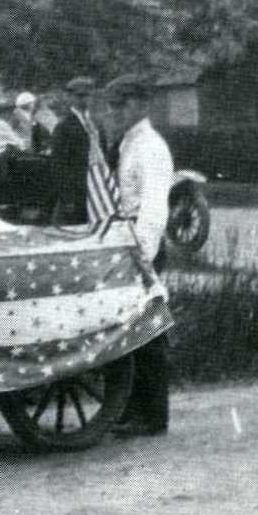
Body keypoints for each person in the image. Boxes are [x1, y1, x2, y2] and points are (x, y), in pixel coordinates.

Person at [102, 73, 174, 436]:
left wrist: (144, 254)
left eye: (120, 105)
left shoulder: (151, 146)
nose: (114, 112)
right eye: (113, 106)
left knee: (149, 330)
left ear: (139, 104)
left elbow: (155, 207)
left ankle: (153, 414)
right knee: (131, 328)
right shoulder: (129, 142)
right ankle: (133, 408)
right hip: (126, 240)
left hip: (143, 244)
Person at [48, 76, 102, 223]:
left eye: (88, 96)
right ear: (70, 97)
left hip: (97, 188)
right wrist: (68, 198)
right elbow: (59, 166)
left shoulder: (95, 123)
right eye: (80, 96)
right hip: (76, 193)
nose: (84, 100)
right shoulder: (64, 127)